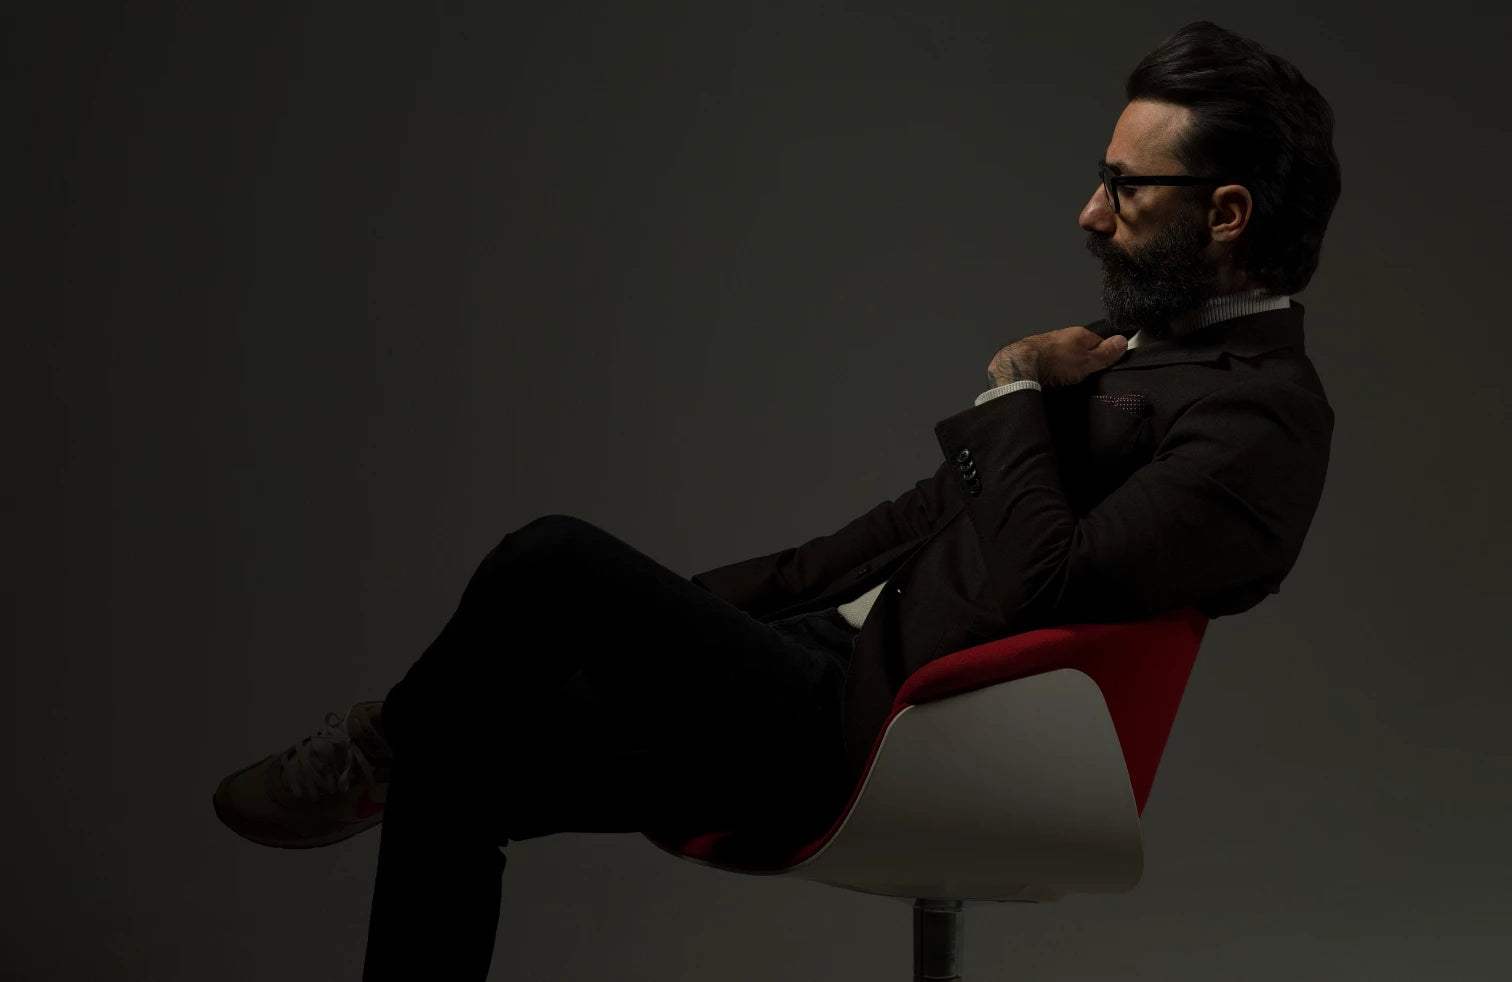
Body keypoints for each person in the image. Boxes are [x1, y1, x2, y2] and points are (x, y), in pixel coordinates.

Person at [212, 19, 1339, 981]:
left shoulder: (1262, 420)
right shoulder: (1128, 351)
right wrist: (669, 619)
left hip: (889, 734)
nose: (1091, 213)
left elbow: (1045, 578)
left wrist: (1012, 389)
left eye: (1125, 186)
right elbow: (896, 532)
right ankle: (408, 744)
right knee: (462, 759)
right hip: (805, 669)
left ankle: (379, 741)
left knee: (550, 557)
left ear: (1227, 214)